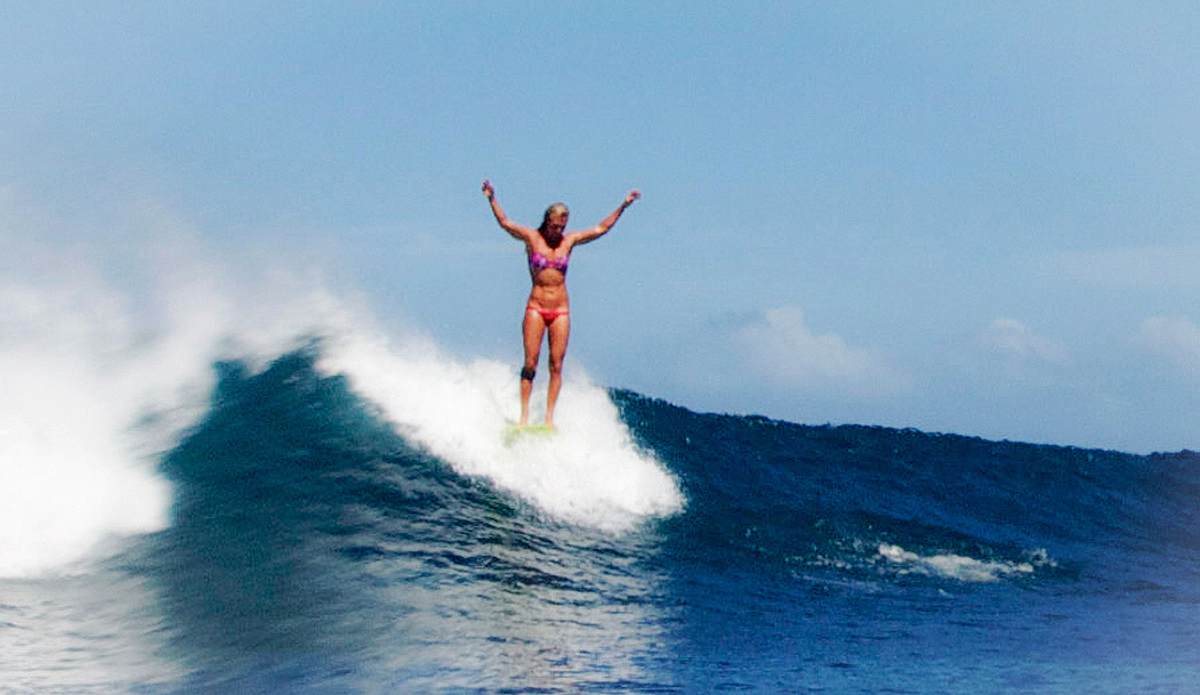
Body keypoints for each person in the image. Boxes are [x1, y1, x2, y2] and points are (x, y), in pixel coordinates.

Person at [482, 179, 640, 428]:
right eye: (555, 226)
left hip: (561, 310)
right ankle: (523, 418)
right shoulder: (532, 238)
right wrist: (492, 198)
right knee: (531, 363)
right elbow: (505, 223)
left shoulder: (569, 241)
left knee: (556, 364)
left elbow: (601, 228)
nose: (558, 231)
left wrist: (624, 205)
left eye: (561, 227)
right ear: (547, 221)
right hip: (536, 306)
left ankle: (548, 419)